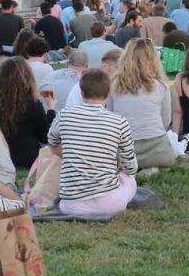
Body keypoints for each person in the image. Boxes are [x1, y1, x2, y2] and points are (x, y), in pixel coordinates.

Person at [46, 69, 139, 217]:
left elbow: (52, 142)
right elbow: (130, 167)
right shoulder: (119, 122)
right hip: (110, 203)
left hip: (71, 205)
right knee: (129, 179)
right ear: (109, 93)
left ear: (81, 92)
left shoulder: (64, 115)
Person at [109, 39, 177, 170]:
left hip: (124, 151)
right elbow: (166, 120)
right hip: (157, 150)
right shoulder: (161, 86)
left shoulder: (114, 84)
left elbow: (111, 117)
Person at [0, 57, 54, 170]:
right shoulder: (31, 103)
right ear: (27, 77)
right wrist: (51, 110)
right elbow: (46, 136)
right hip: (28, 161)